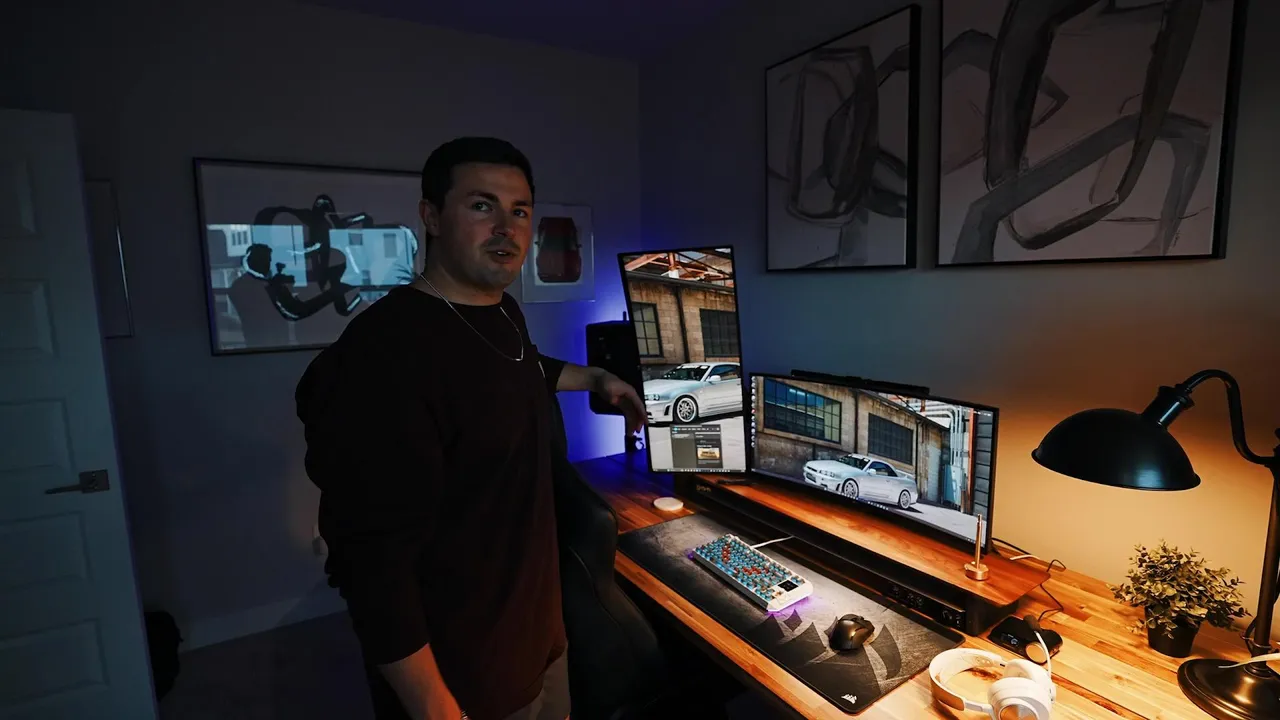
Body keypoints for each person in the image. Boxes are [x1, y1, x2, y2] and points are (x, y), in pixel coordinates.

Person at [295, 137, 645, 720]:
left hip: (538, 635)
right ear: (431, 217)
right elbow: (370, 563)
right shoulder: (385, 355)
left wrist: (596, 378)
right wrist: (433, 705)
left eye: (519, 210)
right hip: (467, 673)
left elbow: (518, 368)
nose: (506, 227)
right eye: (482, 206)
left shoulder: (498, 309)